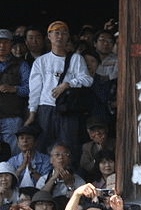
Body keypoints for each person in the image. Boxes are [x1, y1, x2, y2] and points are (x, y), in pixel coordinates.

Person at [26, 21, 92, 159]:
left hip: (68, 109)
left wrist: (67, 84)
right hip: (46, 108)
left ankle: (69, 177)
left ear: (68, 36)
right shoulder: (41, 61)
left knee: (69, 147)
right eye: (56, 33)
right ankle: (47, 178)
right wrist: (32, 113)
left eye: (64, 33)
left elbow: (87, 80)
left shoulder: (75, 59)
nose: (60, 36)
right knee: (44, 146)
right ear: (49, 36)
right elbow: (35, 90)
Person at [0, 28, 30, 153]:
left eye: (6, 42)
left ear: (11, 45)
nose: (2, 45)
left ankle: (11, 173)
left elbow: (30, 88)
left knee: (12, 151)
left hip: (12, 116)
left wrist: (13, 89)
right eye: (0, 42)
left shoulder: (21, 64)